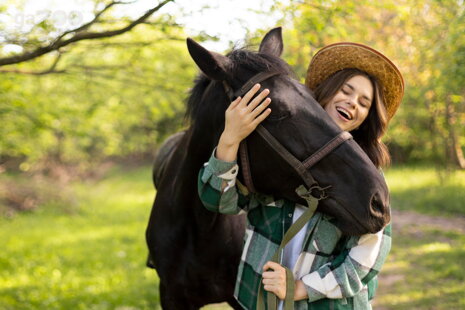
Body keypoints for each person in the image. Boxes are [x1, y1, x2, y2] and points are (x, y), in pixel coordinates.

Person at [198, 42, 404, 309]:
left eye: (364, 103)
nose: (352, 103)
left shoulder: (366, 176)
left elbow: (366, 258)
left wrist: (300, 288)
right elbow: (220, 202)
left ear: (366, 117)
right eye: (346, 90)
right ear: (328, 92)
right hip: (258, 300)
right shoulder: (281, 154)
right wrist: (230, 140)